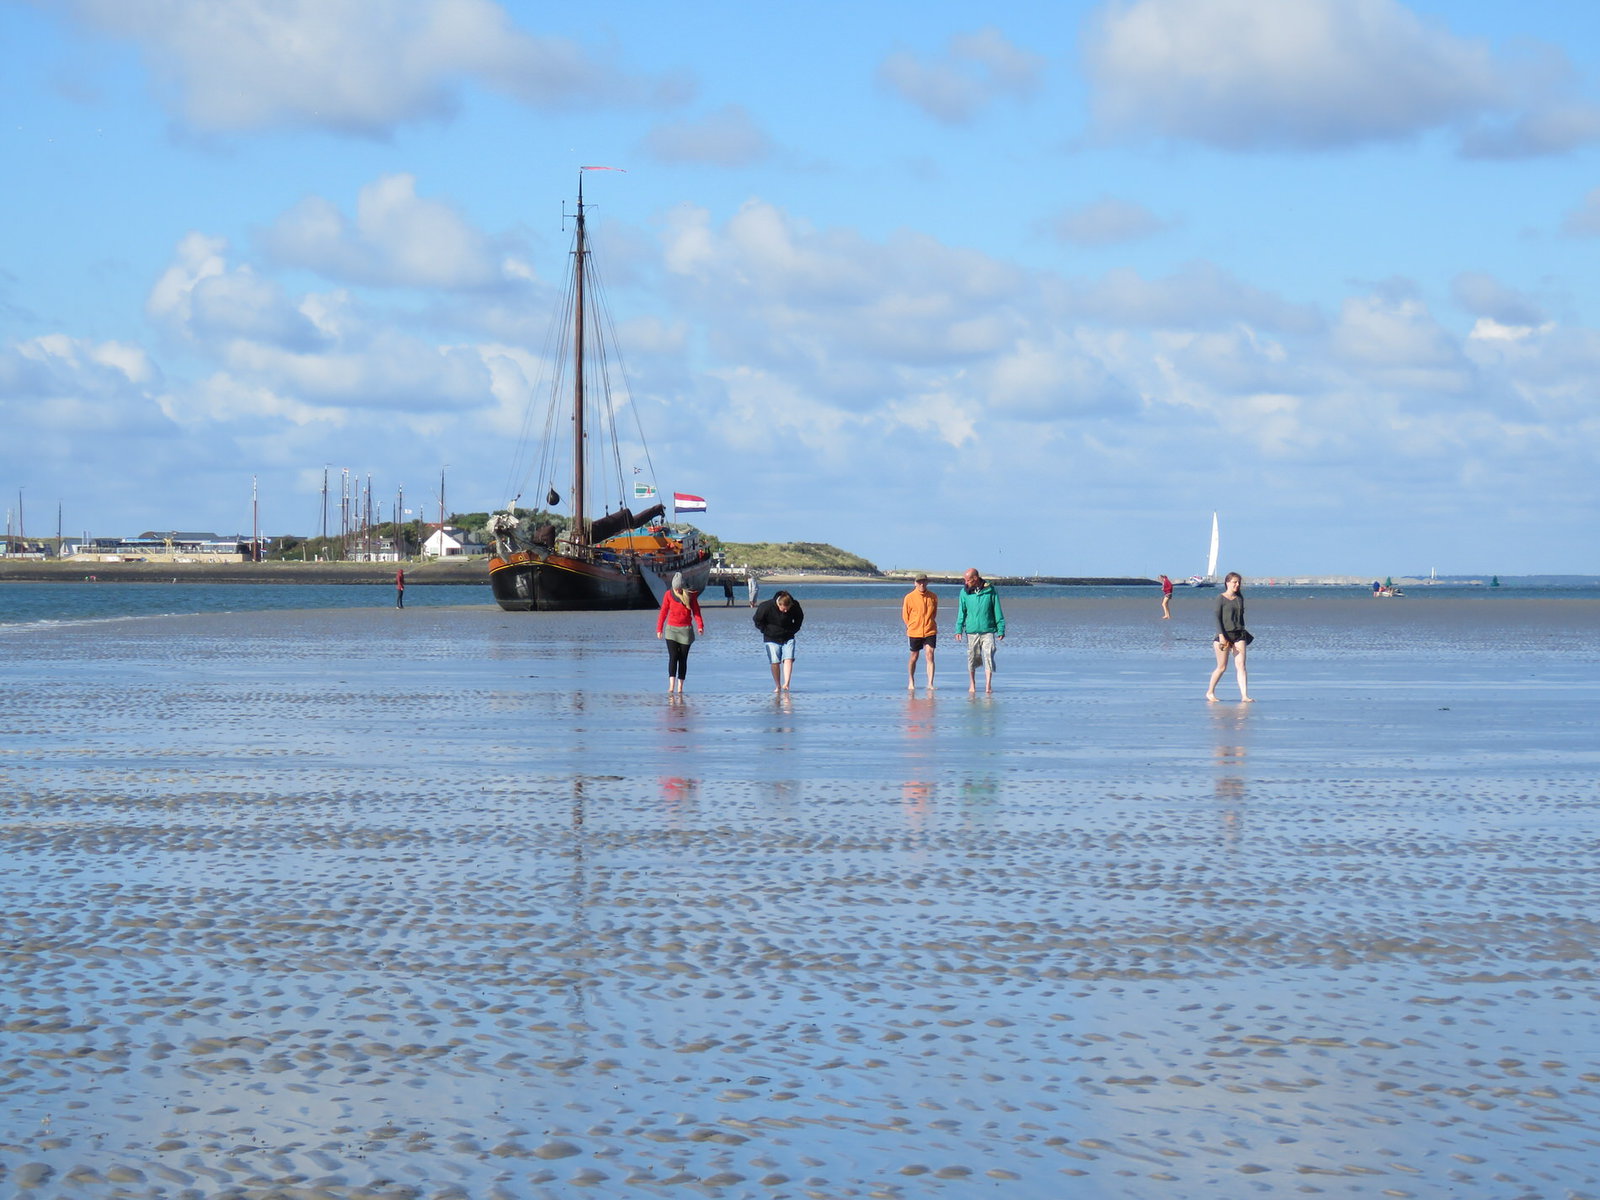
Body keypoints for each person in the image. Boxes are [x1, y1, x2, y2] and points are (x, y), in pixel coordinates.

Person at [1206, 571, 1254, 703]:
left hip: (1239, 635)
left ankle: (1244, 695)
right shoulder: (1220, 598)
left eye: (1239, 582)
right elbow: (1217, 618)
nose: (1237, 585)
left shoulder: (1239, 598)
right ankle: (1210, 692)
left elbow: (1240, 619)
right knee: (1222, 667)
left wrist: (1243, 634)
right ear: (1227, 583)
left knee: (1241, 665)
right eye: (1234, 582)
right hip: (1224, 635)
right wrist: (1222, 636)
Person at [955, 567, 1005, 694]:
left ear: (975, 578)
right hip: (972, 631)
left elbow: (997, 610)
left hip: (988, 630)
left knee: (988, 656)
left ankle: (988, 685)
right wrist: (958, 629)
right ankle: (972, 684)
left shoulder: (990, 590)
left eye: (968, 580)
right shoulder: (964, 592)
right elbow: (961, 612)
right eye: (965, 580)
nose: (966, 582)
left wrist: (1001, 629)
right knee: (973, 657)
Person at [655, 572, 705, 696]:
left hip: (686, 631)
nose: (676, 589)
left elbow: (696, 612)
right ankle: (671, 686)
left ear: (682, 586)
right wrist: (659, 629)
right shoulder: (668, 594)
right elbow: (663, 612)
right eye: (675, 587)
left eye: (678, 587)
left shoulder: (690, 596)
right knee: (673, 657)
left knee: (682, 659)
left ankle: (680, 687)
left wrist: (700, 626)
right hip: (671, 630)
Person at [752, 589, 804, 692]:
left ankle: (787, 683)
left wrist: (793, 630)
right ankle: (778, 685)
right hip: (771, 637)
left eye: (787, 609)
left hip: (788, 636)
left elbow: (799, 618)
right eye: (783, 609)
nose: (786, 611)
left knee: (789, 658)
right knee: (775, 662)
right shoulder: (766, 606)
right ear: (779, 604)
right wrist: (765, 630)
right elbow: (757, 620)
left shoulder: (794, 605)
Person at [902, 573, 938, 690]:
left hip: (930, 629)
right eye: (919, 582)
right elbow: (905, 616)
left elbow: (934, 613)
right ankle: (911, 681)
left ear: (927, 582)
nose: (921, 584)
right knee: (914, 656)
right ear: (915, 583)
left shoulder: (933, 596)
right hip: (914, 631)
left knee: (930, 654)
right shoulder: (909, 597)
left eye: (923, 582)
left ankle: (930, 684)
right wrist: (911, 625)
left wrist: (929, 623)